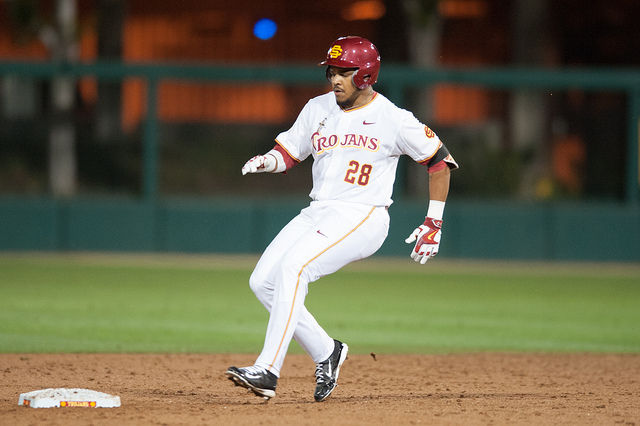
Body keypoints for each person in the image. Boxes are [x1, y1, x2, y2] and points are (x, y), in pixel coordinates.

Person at [226, 36, 458, 402]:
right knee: (262, 283)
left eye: (344, 72)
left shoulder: (394, 119)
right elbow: (288, 153)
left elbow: (439, 162)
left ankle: (268, 370)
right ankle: (327, 352)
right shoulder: (318, 108)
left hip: (363, 216)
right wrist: (267, 161)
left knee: (294, 268)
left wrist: (434, 222)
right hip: (318, 210)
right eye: (332, 71)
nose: (335, 79)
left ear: (365, 75)